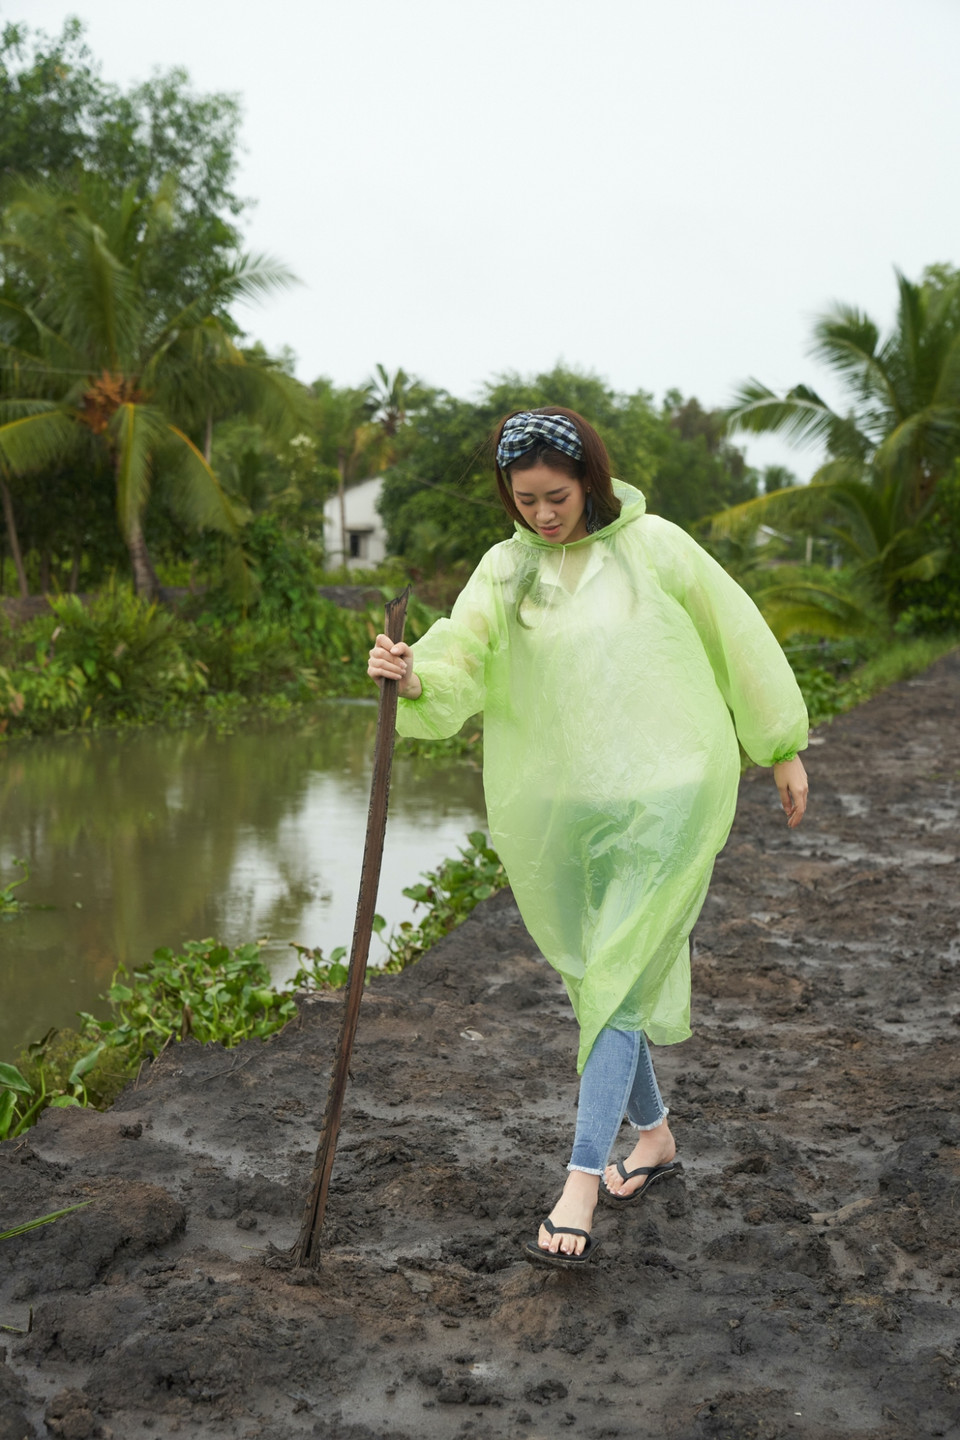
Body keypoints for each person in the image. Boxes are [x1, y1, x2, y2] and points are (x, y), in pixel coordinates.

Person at [367, 407, 808, 1268]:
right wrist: (413, 672)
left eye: (555, 496)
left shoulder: (658, 549)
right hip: (569, 813)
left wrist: (781, 747)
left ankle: (577, 1186)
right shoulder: (506, 572)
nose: (541, 514)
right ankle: (655, 1137)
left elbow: (736, 635)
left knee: (615, 974)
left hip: (668, 798)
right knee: (603, 978)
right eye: (523, 498)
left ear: (591, 481)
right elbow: (462, 654)